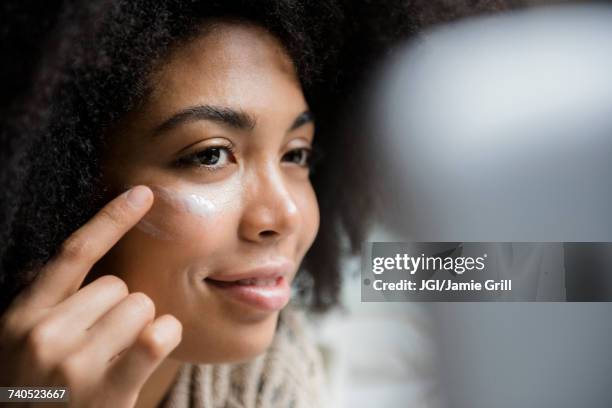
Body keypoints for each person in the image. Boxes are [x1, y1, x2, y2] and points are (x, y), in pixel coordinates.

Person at [0, 1, 508, 406]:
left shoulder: (283, 377)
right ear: (63, 184)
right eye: (212, 155)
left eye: (296, 154)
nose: (284, 214)